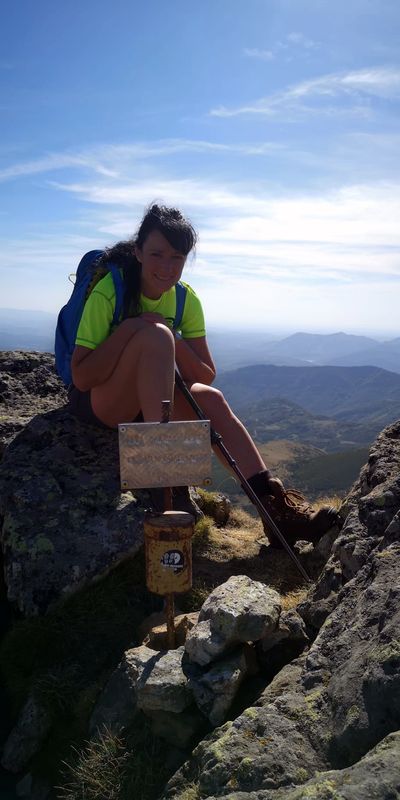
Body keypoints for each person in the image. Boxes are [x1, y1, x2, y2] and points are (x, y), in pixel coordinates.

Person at [69, 203, 338, 547]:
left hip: (150, 399)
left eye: (177, 257)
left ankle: (275, 512)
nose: (167, 267)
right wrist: (132, 329)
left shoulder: (184, 299)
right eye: (156, 254)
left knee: (211, 398)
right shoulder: (111, 291)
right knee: (155, 336)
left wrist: (172, 336)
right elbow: (81, 377)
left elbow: (205, 374)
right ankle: (164, 483)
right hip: (103, 403)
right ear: (137, 252)